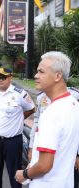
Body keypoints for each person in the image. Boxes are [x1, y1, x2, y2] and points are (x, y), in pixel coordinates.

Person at [15, 52, 79, 188]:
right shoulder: (73, 103)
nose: (36, 76)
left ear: (57, 76)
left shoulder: (53, 112)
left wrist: (24, 174)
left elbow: (44, 166)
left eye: (41, 72)